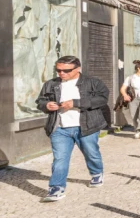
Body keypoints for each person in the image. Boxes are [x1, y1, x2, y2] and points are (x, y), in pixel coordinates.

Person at [35, 56, 110, 202]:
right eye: (58, 70)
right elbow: (41, 101)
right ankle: (56, 188)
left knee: (91, 152)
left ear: (78, 69)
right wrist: (46, 105)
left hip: (87, 126)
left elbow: (102, 99)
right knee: (60, 159)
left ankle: (96, 173)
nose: (61, 73)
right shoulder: (51, 84)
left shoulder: (93, 82)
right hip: (59, 128)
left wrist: (76, 103)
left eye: (66, 70)